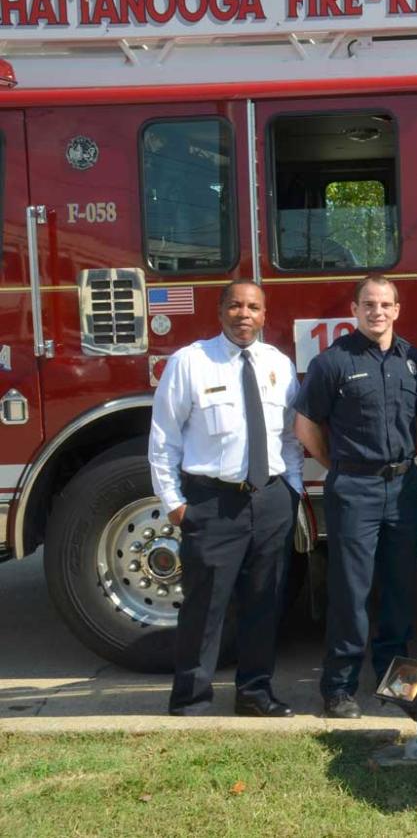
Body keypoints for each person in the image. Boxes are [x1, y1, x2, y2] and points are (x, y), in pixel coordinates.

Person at [149, 279, 303, 718]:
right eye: (235, 306)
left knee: (264, 601)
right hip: (213, 502)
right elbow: (164, 440)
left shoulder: (278, 364)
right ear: (220, 312)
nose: (243, 315)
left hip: (270, 499)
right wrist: (175, 502)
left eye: (253, 307)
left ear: (264, 315)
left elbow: (289, 436)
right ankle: (192, 699)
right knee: (205, 606)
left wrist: (290, 489)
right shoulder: (191, 362)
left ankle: (256, 692)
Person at [294, 274, 417, 719]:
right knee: (351, 593)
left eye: (385, 304)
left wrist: (399, 460)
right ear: (354, 311)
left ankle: (397, 683)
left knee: (399, 589)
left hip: (404, 485)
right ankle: (339, 688)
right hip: (354, 487)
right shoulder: (332, 363)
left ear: (397, 309)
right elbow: (306, 426)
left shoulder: (412, 360)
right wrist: (339, 465)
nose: (377, 312)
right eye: (368, 305)